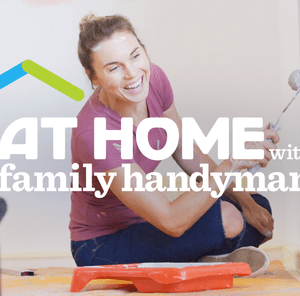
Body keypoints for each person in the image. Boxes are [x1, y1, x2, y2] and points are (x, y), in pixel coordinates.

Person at [69, 14, 279, 277]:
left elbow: (185, 150)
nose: (133, 73)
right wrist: (232, 162)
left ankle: (203, 258)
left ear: (144, 51)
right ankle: (204, 258)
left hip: (147, 223)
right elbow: (171, 221)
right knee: (229, 218)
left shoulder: (154, 79)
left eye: (135, 56)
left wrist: (247, 202)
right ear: (95, 77)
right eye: (114, 67)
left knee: (256, 207)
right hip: (102, 244)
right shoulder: (94, 133)